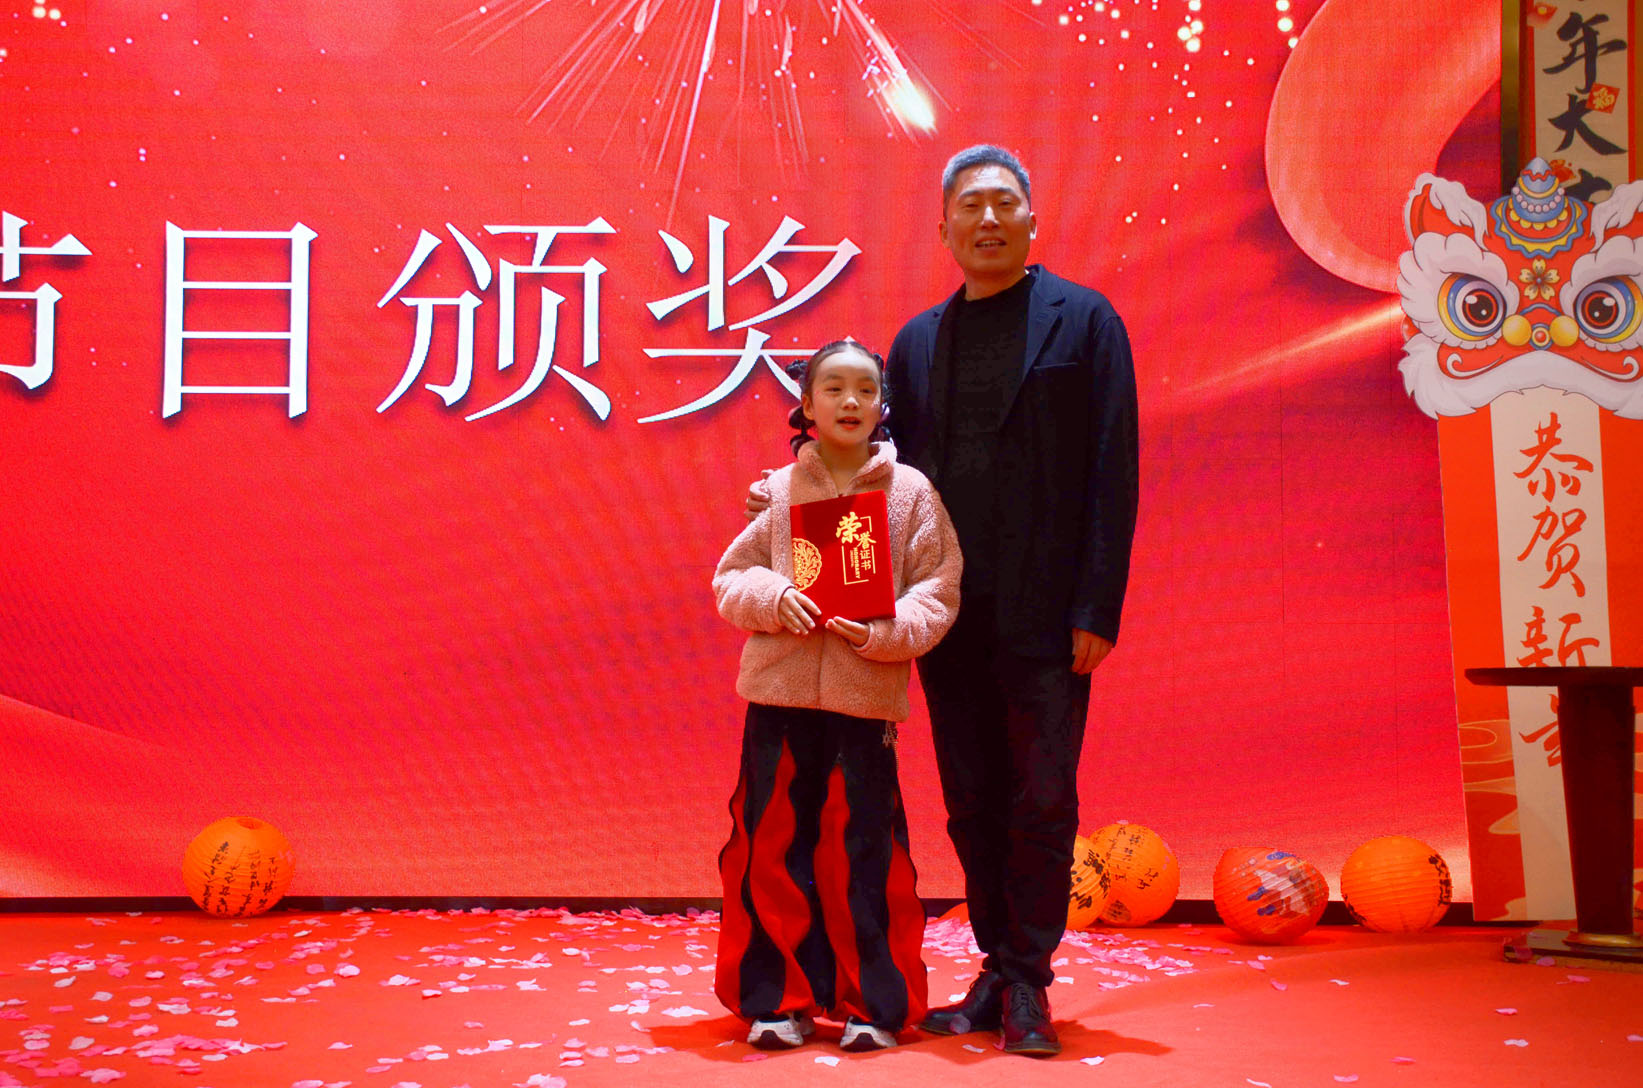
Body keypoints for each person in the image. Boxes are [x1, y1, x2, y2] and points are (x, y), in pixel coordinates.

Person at [747, 145, 1139, 1057]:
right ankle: (996, 969)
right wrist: (781, 496)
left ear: (1031, 220)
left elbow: (1112, 468)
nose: (987, 219)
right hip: (942, 609)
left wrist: (1097, 607)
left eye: (1004, 203)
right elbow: (870, 467)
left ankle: (1028, 978)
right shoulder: (919, 343)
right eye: (970, 206)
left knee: (1042, 795)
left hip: (1048, 613)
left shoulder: (1085, 321)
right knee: (970, 797)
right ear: (944, 229)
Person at [712, 340, 963, 1052]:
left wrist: (884, 632)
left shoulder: (911, 493)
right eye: (833, 388)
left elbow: (938, 590)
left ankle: (871, 1005)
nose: (849, 401)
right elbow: (731, 578)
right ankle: (777, 1000)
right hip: (778, 698)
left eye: (864, 389)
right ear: (806, 405)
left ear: (882, 405)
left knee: (864, 855)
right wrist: (774, 596)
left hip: (863, 698)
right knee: (770, 852)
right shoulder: (780, 490)